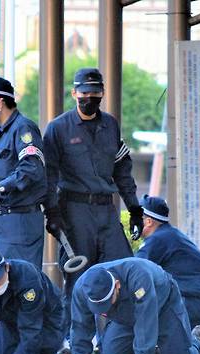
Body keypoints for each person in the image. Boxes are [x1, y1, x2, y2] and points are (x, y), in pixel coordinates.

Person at [43, 67, 143, 334]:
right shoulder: (57, 129)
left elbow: (122, 169)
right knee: (78, 281)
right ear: (74, 93)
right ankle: (73, 346)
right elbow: (48, 175)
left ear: (103, 93)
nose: (90, 97)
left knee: (124, 271)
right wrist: (51, 211)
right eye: (84, 92)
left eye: (95, 92)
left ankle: (119, 341)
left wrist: (134, 207)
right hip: (74, 212)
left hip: (106, 212)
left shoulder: (110, 125)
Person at [62, 257, 200, 354]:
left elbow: (145, 321)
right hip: (125, 317)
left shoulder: (138, 276)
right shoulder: (82, 288)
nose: (104, 309)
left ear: (117, 285)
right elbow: (80, 325)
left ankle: (198, 340)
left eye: (107, 303)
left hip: (163, 304)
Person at [0, 75, 46, 269]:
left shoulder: (23, 128)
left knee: (20, 281)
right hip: (6, 222)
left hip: (21, 224)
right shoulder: (1, 133)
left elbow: (32, 167)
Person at [135, 195, 200, 329]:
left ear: (148, 221)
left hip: (196, 303)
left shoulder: (158, 240)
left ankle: (197, 342)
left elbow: (133, 270)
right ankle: (196, 342)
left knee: (147, 315)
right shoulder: (169, 234)